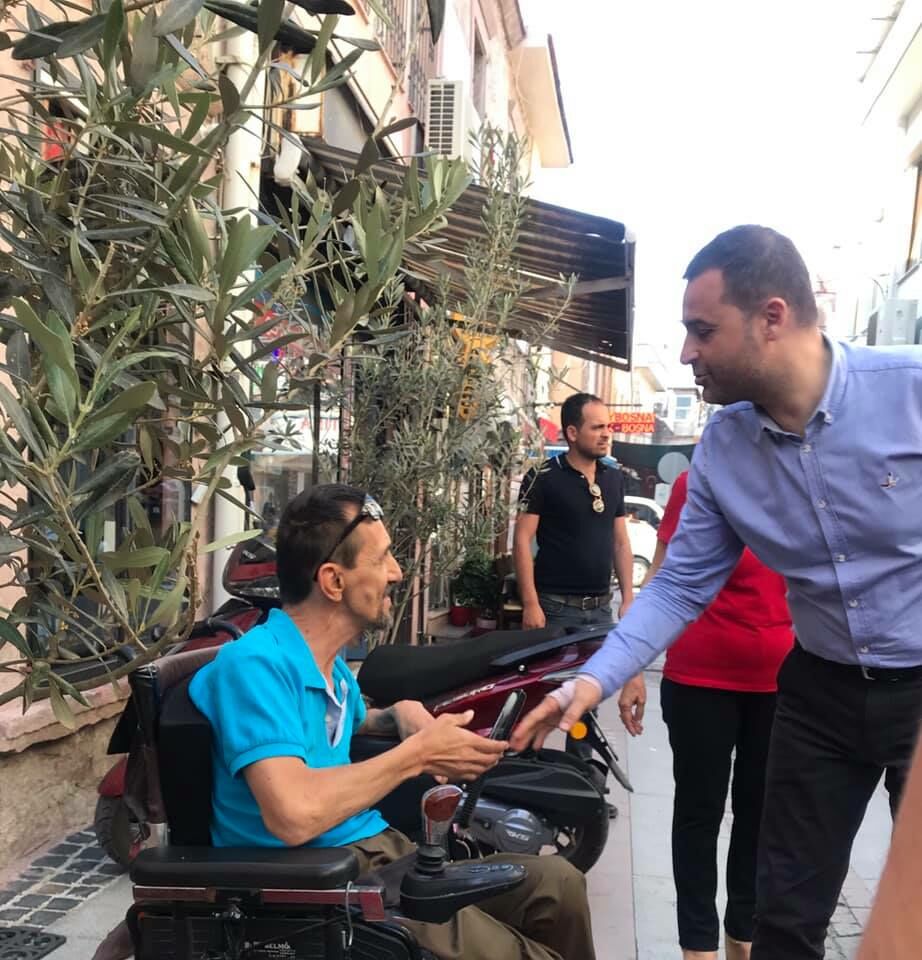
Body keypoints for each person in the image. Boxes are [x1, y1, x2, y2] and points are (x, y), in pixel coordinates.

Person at [511, 224, 922, 960]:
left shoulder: (909, 391)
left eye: (703, 331)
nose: (685, 353)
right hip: (819, 697)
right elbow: (677, 586)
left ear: (772, 317)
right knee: (784, 916)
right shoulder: (724, 450)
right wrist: (590, 681)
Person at [188, 483, 595, 960]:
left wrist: (397, 715)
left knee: (558, 884)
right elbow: (293, 814)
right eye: (382, 559)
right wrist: (416, 755)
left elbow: (341, 725)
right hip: (325, 882)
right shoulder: (256, 666)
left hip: (379, 853)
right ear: (334, 582)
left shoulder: (329, 667)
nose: (397, 572)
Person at [618, 470, 793, 960]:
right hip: (700, 679)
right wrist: (633, 665)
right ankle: (697, 946)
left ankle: (743, 934)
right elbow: (662, 578)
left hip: (780, 684)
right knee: (699, 812)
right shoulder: (695, 484)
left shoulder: (802, 482)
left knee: (761, 814)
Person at [514, 392, 634, 631]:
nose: (606, 434)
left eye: (607, 427)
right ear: (572, 433)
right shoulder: (542, 476)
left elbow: (621, 542)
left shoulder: (613, 478)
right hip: (555, 609)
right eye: (597, 427)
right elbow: (521, 540)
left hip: (602, 610)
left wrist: (628, 598)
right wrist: (530, 603)